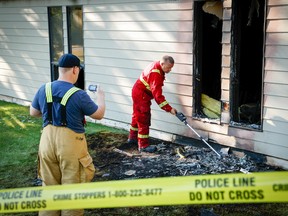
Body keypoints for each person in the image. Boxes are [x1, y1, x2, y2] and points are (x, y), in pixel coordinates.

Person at [30, 53, 105, 216]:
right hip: (70, 146)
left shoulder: (44, 88)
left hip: (46, 143)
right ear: (75, 69)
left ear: (60, 69)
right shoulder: (79, 94)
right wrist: (101, 97)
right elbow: (98, 114)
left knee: (49, 189)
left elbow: (33, 112)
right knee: (72, 191)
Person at [128, 55, 177, 153]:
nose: (169, 70)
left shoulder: (157, 66)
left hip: (138, 92)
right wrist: (169, 109)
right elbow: (158, 96)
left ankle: (132, 138)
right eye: (168, 68)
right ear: (162, 64)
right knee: (143, 118)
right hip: (141, 95)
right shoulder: (156, 74)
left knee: (136, 116)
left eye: (171, 68)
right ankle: (143, 145)